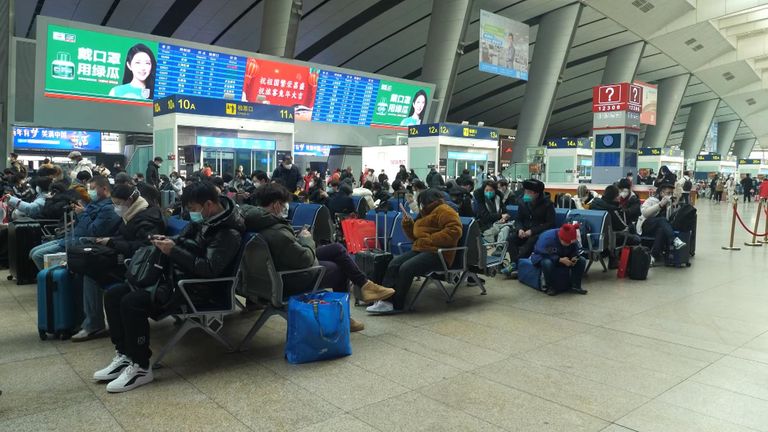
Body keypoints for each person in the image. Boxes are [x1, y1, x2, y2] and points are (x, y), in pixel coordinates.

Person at [96, 181, 243, 392]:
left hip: (194, 289)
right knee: (113, 294)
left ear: (208, 204)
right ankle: (125, 355)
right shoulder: (207, 221)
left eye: (192, 209)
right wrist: (167, 240)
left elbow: (210, 269)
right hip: (175, 277)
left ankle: (141, 367)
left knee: (132, 302)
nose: (190, 214)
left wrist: (173, 251)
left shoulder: (228, 233)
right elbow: (183, 240)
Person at [245, 184, 395, 331]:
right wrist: (306, 239)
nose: (285, 208)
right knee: (341, 269)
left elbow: (287, 249)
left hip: (271, 273)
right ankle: (344, 317)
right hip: (290, 277)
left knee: (337, 249)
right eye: (284, 204)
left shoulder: (254, 221)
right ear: (276, 205)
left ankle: (365, 286)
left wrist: (296, 240)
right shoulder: (275, 231)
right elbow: (305, 259)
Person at [366, 189, 463, 314]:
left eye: (421, 201)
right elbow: (415, 237)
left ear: (428, 200)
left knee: (406, 268)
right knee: (394, 264)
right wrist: (408, 225)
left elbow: (454, 232)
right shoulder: (425, 213)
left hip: (439, 253)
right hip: (421, 249)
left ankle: (397, 304)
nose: (420, 204)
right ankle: (385, 301)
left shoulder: (445, 210)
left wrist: (429, 240)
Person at [29, 176, 122, 272]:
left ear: (104, 189)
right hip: (71, 237)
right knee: (33, 252)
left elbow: (94, 231)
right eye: (89, 189)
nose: (90, 192)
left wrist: (82, 213)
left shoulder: (108, 209)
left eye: (92, 188)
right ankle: (48, 279)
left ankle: (53, 281)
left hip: (81, 242)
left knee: (38, 255)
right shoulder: (94, 203)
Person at [502, 179, 555, 275]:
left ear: (536, 194)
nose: (526, 194)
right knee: (511, 239)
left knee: (531, 240)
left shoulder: (548, 204)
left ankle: (515, 265)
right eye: (525, 191)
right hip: (524, 231)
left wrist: (532, 231)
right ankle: (516, 265)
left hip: (539, 233)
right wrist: (520, 229)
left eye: (529, 192)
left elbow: (550, 223)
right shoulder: (523, 203)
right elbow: (518, 219)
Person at [636, 181, 686, 266]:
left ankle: (652, 257)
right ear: (662, 193)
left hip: (657, 227)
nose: (670, 195)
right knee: (661, 220)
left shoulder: (669, 203)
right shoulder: (651, 200)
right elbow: (644, 213)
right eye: (668, 193)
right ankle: (674, 240)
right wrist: (660, 205)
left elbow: (671, 219)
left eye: (671, 193)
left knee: (661, 230)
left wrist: (675, 204)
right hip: (646, 225)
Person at [530, 223, 587, 296]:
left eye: (570, 242)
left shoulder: (571, 238)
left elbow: (575, 249)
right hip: (543, 256)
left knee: (581, 260)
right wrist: (559, 259)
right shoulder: (548, 238)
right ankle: (550, 287)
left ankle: (575, 285)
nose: (569, 244)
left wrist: (574, 257)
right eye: (567, 242)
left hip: (563, 255)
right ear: (560, 238)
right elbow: (545, 253)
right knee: (547, 263)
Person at [473, 180, 511, 245]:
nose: (489, 192)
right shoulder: (481, 200)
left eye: (491, 190)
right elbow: (486, 217)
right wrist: (501, 216)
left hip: (499, 223)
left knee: (506, 228)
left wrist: (504, 218)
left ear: (495, 190)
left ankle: (499, 248)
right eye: (486, 190)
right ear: (483, 191)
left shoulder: (498, 198)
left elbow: (505, 212)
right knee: (503, 230)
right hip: (485, 225)